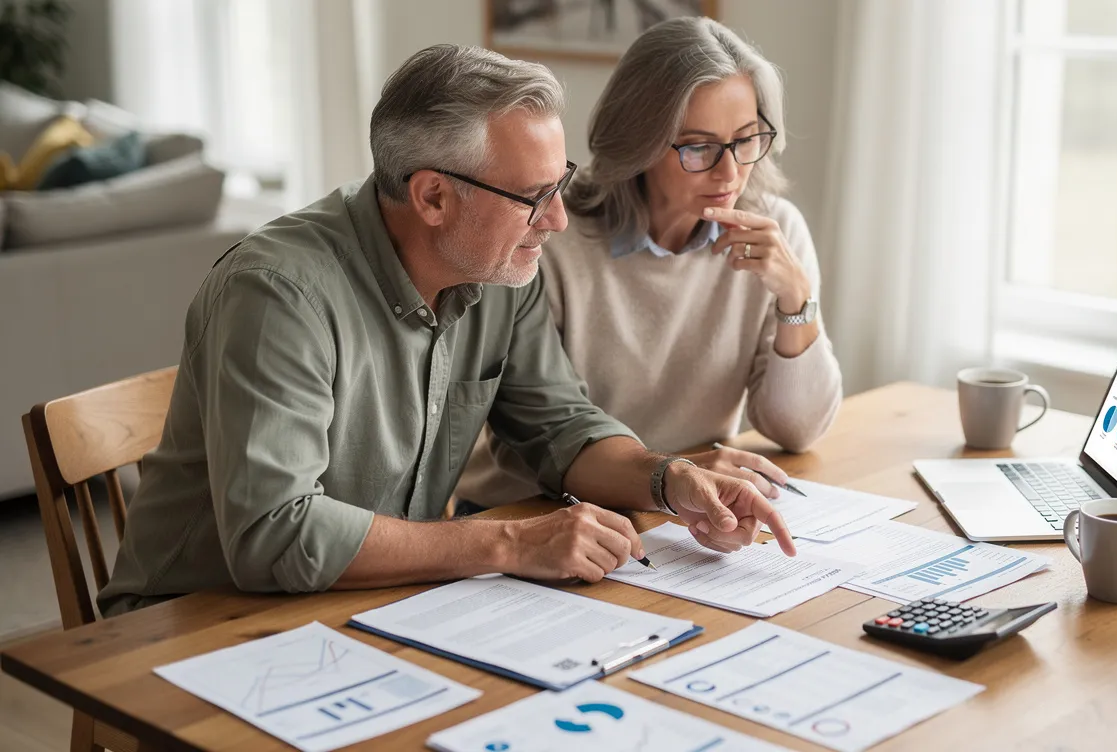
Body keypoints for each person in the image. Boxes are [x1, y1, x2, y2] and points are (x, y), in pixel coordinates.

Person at [97, 44, 795, 617]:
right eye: (533, 197)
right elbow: (275, 537)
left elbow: (562, 427)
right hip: (197, 620)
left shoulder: (500, 268)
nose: (556, 221)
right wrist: (506, 543)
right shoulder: (278, 294)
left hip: (377, 601)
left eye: (560, 185)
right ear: (432, 195)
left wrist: (671, 480)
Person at [456, 17, 843, 537]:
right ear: (638, 141)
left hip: (677, 509)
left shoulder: (775, 234)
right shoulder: (549, 236)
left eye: (746, 140)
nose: (729, 173)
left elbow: (798, 431)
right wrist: (671, 474)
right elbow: (540, 437)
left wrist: (797, 299)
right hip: (532, 515)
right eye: (699, 147)